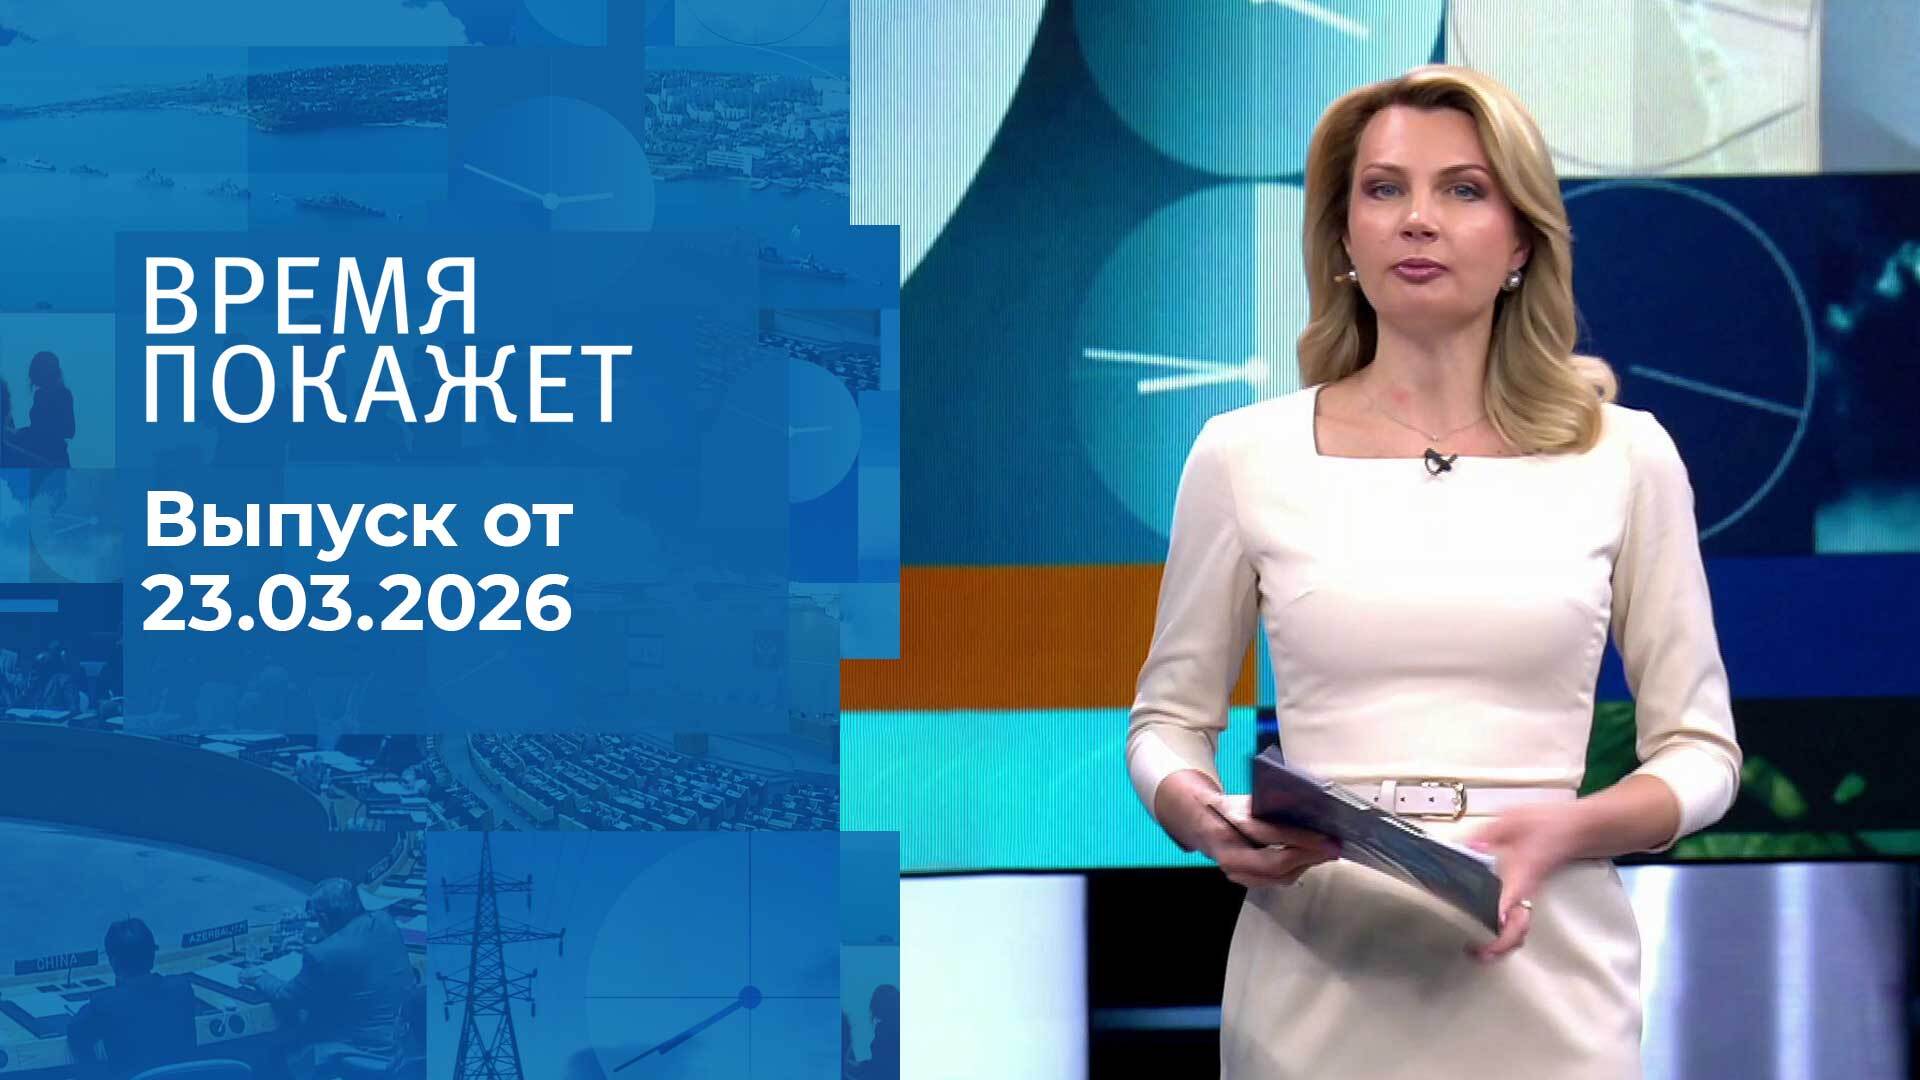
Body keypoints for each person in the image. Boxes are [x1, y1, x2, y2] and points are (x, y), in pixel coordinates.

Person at [1125, 65, 1742, 1078]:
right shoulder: (1243, 454)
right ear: (1343, 236)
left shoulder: (1626, 456)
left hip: (1548, 971)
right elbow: (1165, 724)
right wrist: (1197, 812)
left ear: (1522, 240)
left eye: (1463, 189)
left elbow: (1702, 754)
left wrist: (1571, 829)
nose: (1419, 219)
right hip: (1317, 970)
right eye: (1384, 189)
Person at [242, 878, 417, 1080]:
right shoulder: (384, 921)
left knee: (268, 1057)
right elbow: (355, 947)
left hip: (358, 1050)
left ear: (323, 918)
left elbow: (287, 996)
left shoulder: (323, 955)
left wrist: (259, 976)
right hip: (400, 1045)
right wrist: (318, 944)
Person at [64, 918, 198, 1079]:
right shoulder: (182, 988)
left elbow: (75, 1033)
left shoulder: (104, 1002)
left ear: (113, 962)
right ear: (152, 955)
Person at [14, 350, 74, 468]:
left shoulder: (63, 395)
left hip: (53, 459)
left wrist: (24, 433)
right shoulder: (40, 395)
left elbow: (69, 430)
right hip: (40, 457)